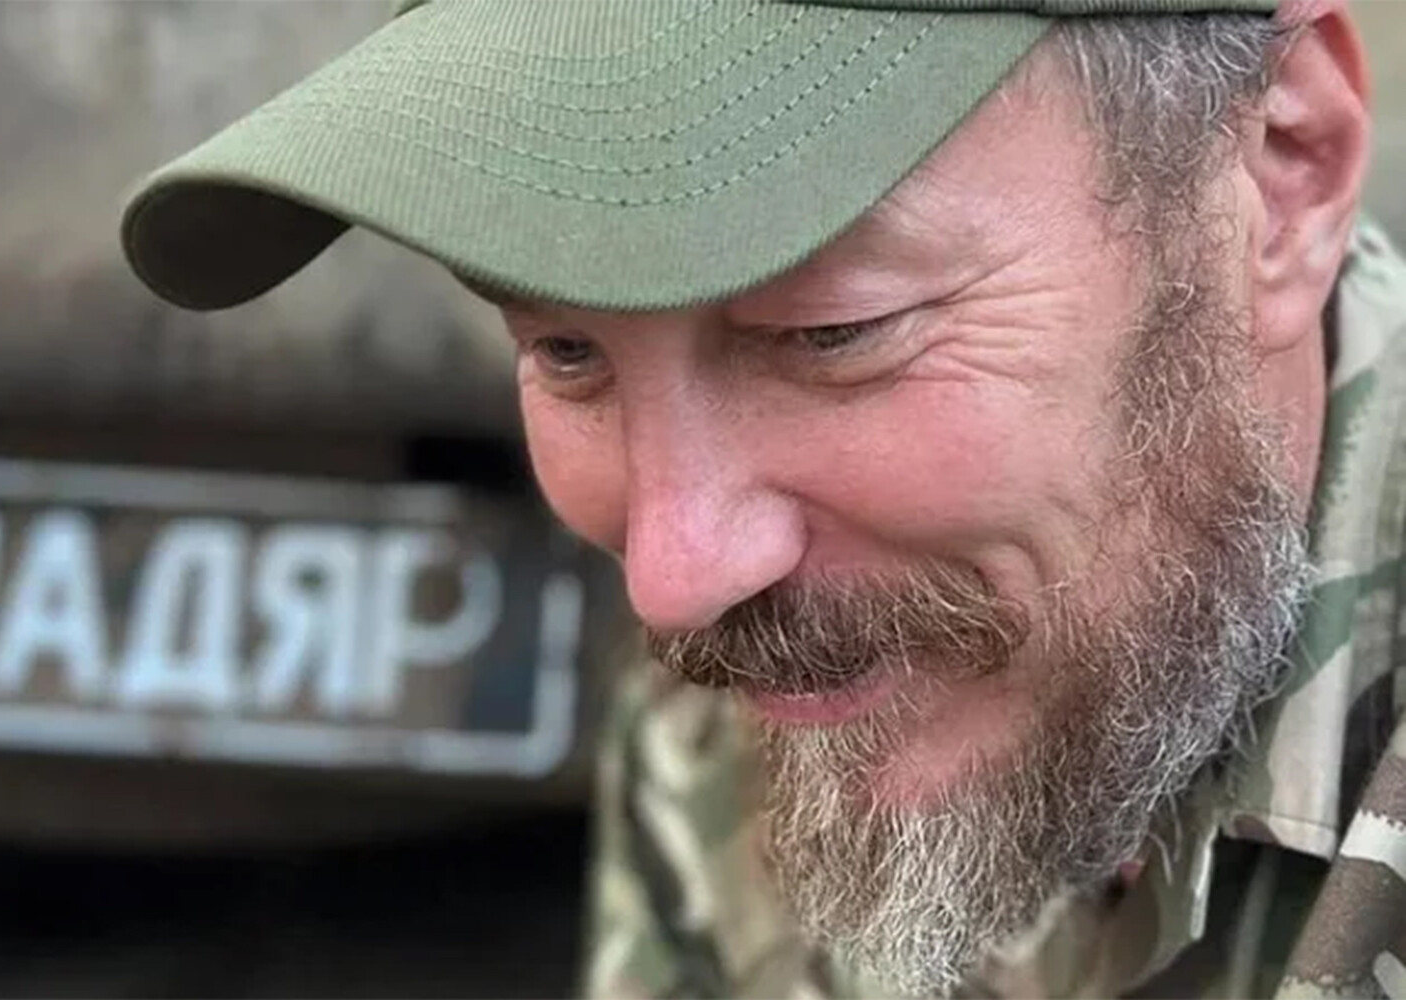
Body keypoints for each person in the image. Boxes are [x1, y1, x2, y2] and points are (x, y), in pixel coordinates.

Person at [117, 0, 1406, 995]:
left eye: (832, 333)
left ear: (1278, 180)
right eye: (567, 351)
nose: (673, 577)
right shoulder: (799, 690)